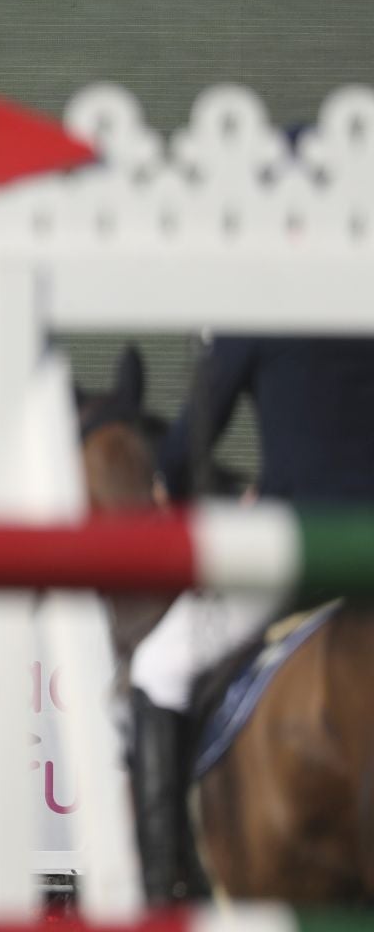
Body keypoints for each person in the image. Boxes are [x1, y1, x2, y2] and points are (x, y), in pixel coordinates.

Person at [127, 333, 374, 901]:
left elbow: (188, 446)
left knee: (158, 668)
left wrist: (181, 481)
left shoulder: (264, 301)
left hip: (304, 544)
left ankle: (165, 889)